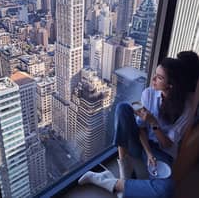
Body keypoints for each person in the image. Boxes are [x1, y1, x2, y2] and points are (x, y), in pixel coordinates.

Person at [78, 55, 199, 198]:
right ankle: (125, 172)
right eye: (155, 74)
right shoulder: (148, 94)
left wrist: (154, 123)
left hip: (162, 153)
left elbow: (167, 145)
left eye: (159, 78)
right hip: (142, 145)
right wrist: (148, 153)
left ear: (170, 85)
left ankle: (106, 181)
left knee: (166, 190)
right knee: (123, 108)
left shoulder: (186, 109)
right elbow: (141, 128)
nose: (153, 79)